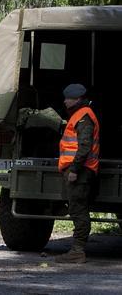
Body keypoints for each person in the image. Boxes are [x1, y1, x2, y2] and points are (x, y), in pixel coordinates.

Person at [55, 83, 99, 264]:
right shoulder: (79, 115)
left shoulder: (84, 117)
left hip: (80, 171)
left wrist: (74, 169)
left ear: (78, 99)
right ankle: (76, 250)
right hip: (79, 170)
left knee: (79, 210)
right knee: (76, 209)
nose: (65, 101)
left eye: (68, 98)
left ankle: (77, 251)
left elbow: (84, 146)